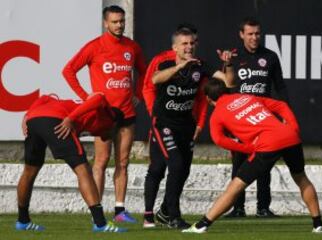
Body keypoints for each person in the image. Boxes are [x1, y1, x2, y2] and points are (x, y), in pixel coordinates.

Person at [182, 80, 322, 234]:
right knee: (301, 179)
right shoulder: (247, 97)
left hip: (267, 144)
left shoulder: (217, 115)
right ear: (226, 91)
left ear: (208, 99)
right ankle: (318, 225)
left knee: (235, 187)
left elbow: (219, 140)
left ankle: (202, 225)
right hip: (290, 137)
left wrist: (248, 148)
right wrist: (293, 128)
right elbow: (281, 106)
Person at [142, 27, 236, 229]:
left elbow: (228, 82)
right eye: (184, 43)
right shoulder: (165, 63)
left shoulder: (201, 66)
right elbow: (154, 79)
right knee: (169, 165)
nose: (189, 47)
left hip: (186, 125)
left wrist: (228, 64)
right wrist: (179, 67)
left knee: (183, 170)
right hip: (164, 124)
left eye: (192, 43)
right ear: (174, 47)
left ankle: (164, 211)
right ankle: (169, 216)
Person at [62, 5, 147, 223]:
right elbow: (68, 70)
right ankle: (96, 212)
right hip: (104, 115)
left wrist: (138, 94)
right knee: (101, 160)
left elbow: (145, 72)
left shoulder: (132, 47)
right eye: (115, 22)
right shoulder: (94, 47)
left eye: (122, 21)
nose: (120, 25)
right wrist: (87, 98)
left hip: (127, 113)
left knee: (123, 161)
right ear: (105, 23)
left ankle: (119, 210)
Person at [16, 93, 127, 233]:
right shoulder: (109, 116)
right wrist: (70, 118)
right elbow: (99, 98)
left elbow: (44, 98)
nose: (113, 136)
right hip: (56, 119)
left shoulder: (89, 117)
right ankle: (100, 224)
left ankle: (22, 221)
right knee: (83, 169)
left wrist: (27, 116)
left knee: (29, 170)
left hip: (34, 120)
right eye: (117, 132)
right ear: (115, 125)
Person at [225, 17, 289, 218]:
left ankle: (263, 208)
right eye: (250, 34)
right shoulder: (233, 57)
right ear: (241, 34)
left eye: (257, 34)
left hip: (264, 119)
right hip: (240, 119)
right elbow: (226, 86)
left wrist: (285, 114)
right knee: (239, 164)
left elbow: (280, 87)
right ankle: (238, 208)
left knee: (264, 165)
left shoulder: (270, 57)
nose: (254, 37)